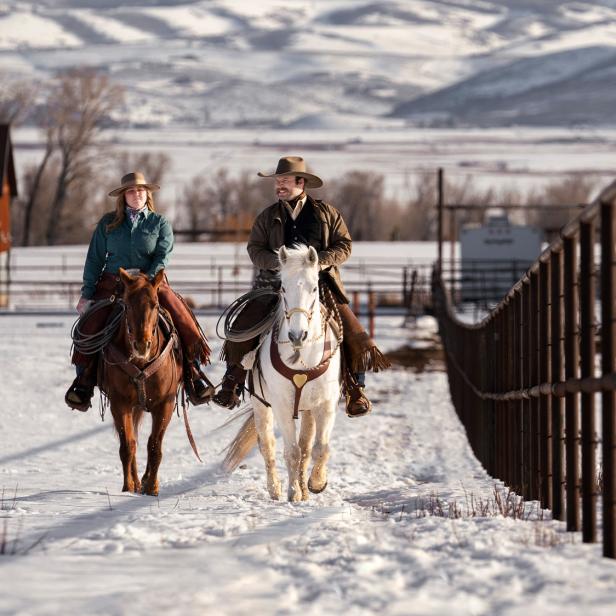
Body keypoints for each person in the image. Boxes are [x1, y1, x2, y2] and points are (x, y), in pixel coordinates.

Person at [212, 156, 389, 417]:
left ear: (301, 183)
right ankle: (232, 383)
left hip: (318, 283)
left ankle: (355, 389)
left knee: (352, 329)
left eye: (284, 181)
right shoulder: (268, 216)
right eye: (278, 181)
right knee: (243, 326)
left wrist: (321, 263)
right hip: (273, 285)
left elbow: (345, 245)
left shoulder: (327, 213)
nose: (279, 186)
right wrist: (279, 264)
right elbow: (254, 249)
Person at [65, 171, 213, 411]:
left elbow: (163, 255)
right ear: (123, 196)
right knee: (89, 326)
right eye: (131, 191)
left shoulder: (159, 223)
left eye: (141, 190)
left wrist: (148, 280)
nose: (137, 195)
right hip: (114, 283)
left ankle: (193, 374)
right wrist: (87, 294)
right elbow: (94, 260)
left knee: (183, 317)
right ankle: (83, 382)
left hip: (151, 284)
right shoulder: (107, 223)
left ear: (148, 194)